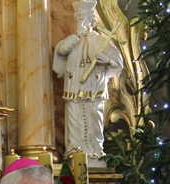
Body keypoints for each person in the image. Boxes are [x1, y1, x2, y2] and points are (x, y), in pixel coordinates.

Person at [52, 0, 123, 161]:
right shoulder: (73, 39)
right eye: (78, 17)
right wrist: (77, 34)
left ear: (92, 19)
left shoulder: (101, 41)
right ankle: (74, 150)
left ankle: (95, 150)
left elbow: (118, 61)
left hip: (95, 88)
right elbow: (62, 50)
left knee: (94, 119)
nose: (81, 20)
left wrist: (108, 61)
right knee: (74, 118)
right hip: (74, 87)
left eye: (84, 17)